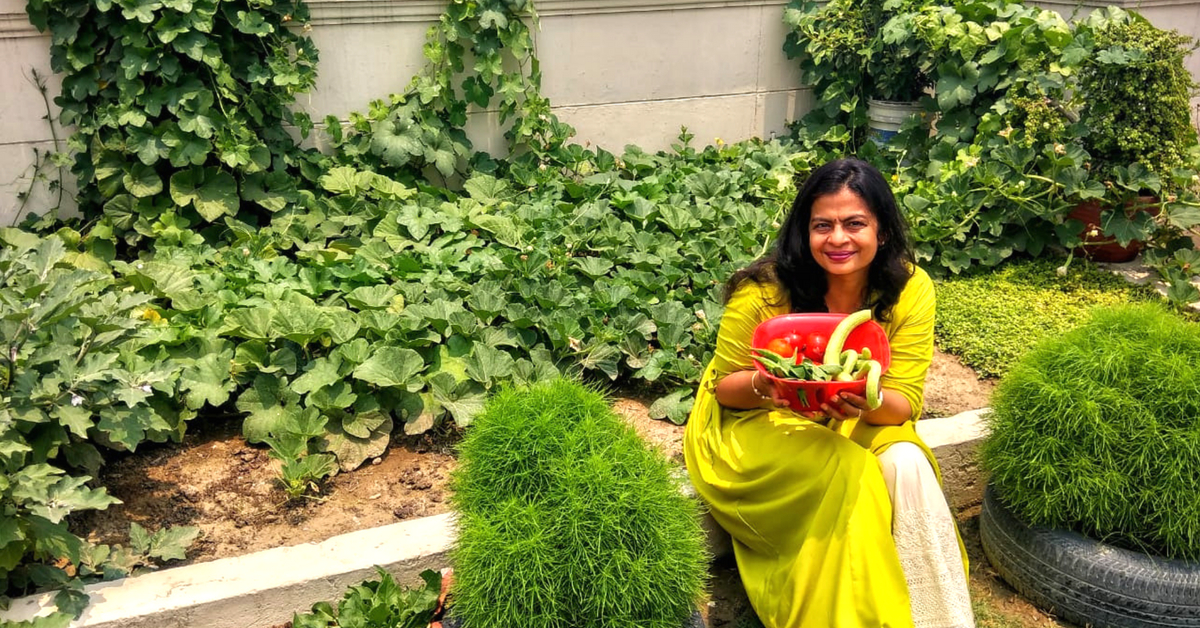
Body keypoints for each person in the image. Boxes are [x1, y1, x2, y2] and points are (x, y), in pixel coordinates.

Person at [683, 158, 974, 628]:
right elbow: (727, 390)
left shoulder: (909, 288)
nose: (838, 239)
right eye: (823, 225)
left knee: (909, 465)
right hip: (752, 422)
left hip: (858, 412)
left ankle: (938, 617)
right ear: (805, 231)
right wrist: (769, 384)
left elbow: (902, 404)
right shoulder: (764, 290)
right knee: (847, 468)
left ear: (881, 230)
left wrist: (866, 398)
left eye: (855, 223)